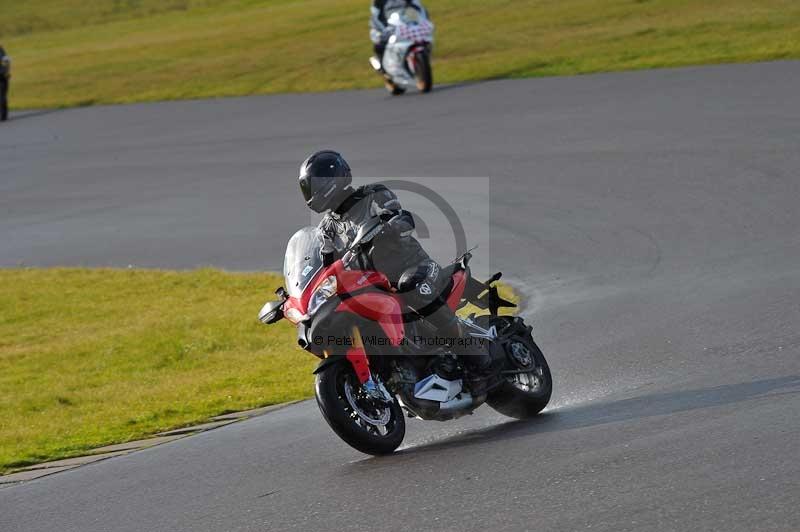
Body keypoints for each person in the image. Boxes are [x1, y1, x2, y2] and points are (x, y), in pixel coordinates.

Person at [297, 150, 492, 381]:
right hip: (371, 284)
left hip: (411, 266)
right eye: (308, 187)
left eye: (316, 184)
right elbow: (325, 262)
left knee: (413, 288)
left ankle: (476, 354)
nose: (313, 192)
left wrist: (391, 225)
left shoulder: (373, 195)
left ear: (334, 178)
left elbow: (403, 217)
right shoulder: (326, 228)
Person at [370, 0, 427, 71]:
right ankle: (383, 67)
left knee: (421, 37)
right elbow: (376, 17)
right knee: (380, 42)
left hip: (403, 23)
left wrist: (422, 20)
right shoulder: (379, 1)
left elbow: (418, 8)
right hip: (385, 26)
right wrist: (384, 29)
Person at [0, 45, 10, 122]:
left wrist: (5, 72)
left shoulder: (1, 50)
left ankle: (3, 115)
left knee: (2, 96)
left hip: (2, 77)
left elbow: (6, 61)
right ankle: (3, 115)